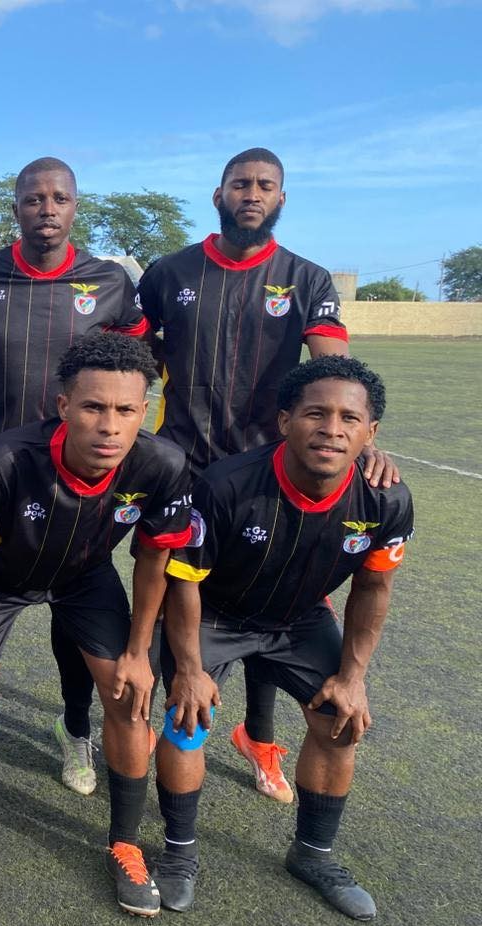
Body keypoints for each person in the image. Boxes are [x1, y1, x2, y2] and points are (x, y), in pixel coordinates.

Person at [137, 147, 399, 804]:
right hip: (186, 468)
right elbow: (137, 350)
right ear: (218, 194)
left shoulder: (305, 278)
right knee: (175, 600)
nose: (251, 194)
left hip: (273, 478)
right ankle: (155, 710)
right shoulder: (170, 272)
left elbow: (336, 374)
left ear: (281, 198)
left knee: (274, 602)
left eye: (264, 185)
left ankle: (258, 736)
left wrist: (363, 440)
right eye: (240, 184)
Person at [0, 333, 190, 914]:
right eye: (94, 407)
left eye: (126, 410)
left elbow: (154, 558)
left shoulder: (162, 464)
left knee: (128, 696)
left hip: (85, 578)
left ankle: (125, 844)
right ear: (64, 406)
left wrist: (138, 651)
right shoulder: (3, 458)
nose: (110, 426)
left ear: (143, 411)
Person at [155, 355, 412, 920]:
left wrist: (353, 677)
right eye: (316, 413)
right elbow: (184, 583)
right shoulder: (226, 484)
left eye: (349, 418)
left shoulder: (386, 500)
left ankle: (313, 854)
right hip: (215, 615)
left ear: (370, 434)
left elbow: (374, 589)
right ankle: (178, 852)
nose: (331, 429)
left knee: (340, 722)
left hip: (299, 620)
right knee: (187, 719)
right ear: (284, 421)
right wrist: (190, 670)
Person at [0, 156, 149, 796]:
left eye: (59, 198)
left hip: (84, 478)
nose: (46, 209)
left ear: (75, 206)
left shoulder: (109, 281)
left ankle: (75, 728)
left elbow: (140, 358)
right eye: (33, 199)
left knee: (74, 600)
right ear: (16, 208)